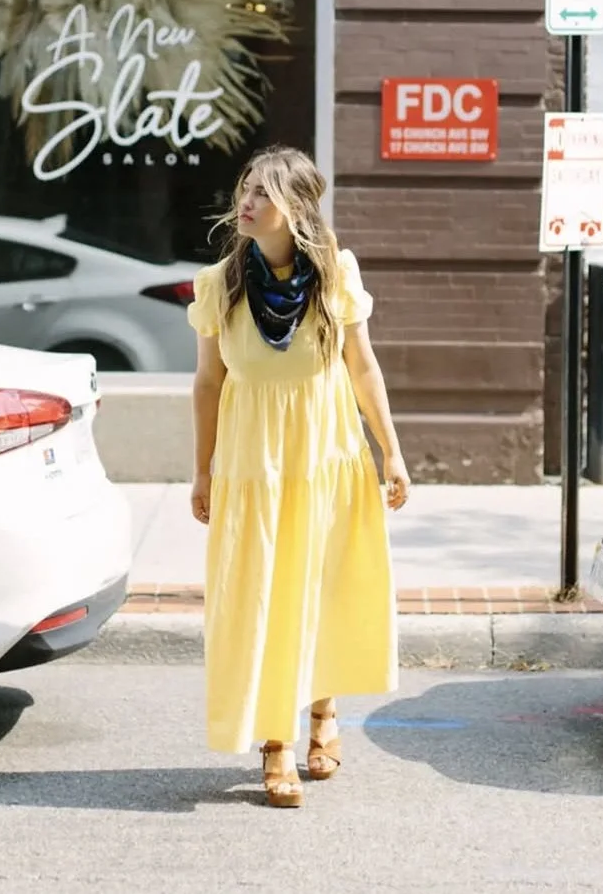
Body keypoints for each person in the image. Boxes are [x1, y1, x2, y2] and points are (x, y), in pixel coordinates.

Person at [188, 145, 410, 809]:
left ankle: (322, 712)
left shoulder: (334, 274)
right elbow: (206, 382)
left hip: (326, 459)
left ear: (298, 208)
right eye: (244, 189)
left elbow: (362, 368)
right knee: (259, 599)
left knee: (318, 589)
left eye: (262, 191)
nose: (246, 202)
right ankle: (274, 741)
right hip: (252, 468)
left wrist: (390, 452)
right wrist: (200, 470)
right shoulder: (218, 283)